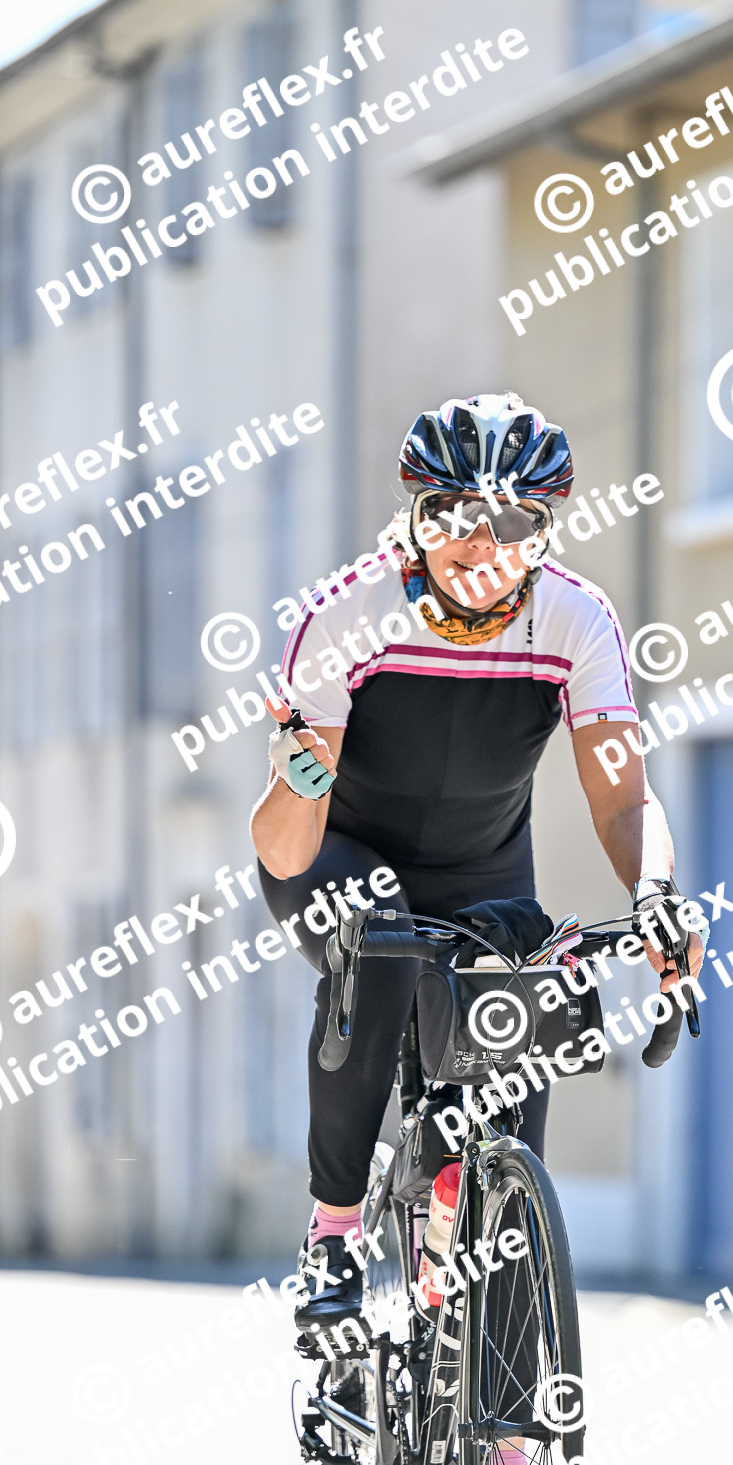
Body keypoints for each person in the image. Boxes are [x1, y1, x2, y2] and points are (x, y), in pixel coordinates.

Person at [250, 389, 702, 1342]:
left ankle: (492, 1374)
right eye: (453, 512)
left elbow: (624, 802)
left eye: (513, 521)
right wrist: (296, 772)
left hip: (481, 875)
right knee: (378, 940)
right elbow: (284, 847)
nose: (480, 541)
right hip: (337, 862)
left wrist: (658, 895)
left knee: (519, 1046)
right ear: (417, 517)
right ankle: (334, 1233)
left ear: (544, 532)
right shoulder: (352, 613)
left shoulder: (575, 620)